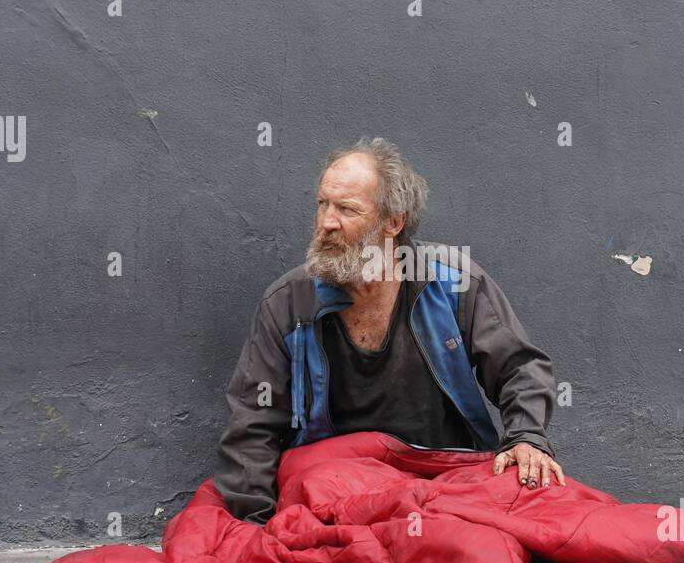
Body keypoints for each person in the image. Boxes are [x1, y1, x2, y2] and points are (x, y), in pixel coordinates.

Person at [212, 136, 564, 525]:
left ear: (393, 223)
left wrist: (526, 437)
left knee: (534, 509)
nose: (327, 222)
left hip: (442, 476)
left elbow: (520, 368)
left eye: (346, 209)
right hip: (335, 488)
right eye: (322, 204)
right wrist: (257, 522)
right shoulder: (287, 304)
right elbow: (253, 422)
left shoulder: (452, 283)